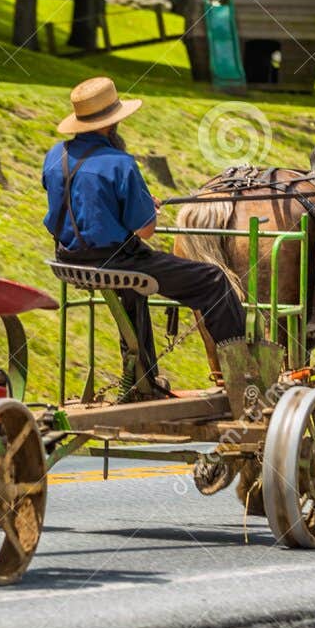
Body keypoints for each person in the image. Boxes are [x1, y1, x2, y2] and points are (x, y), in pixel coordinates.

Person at [42, 76, 261, 410]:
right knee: (213, 281)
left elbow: (81, 201)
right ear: (111, 124)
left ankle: (143, 381)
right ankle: (242, 377)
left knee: (131, 291)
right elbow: (145, 230)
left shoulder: (54, 156)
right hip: (115, 262)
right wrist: (145, 207)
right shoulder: (121, 163)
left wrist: (135, 200)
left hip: (70, 258)